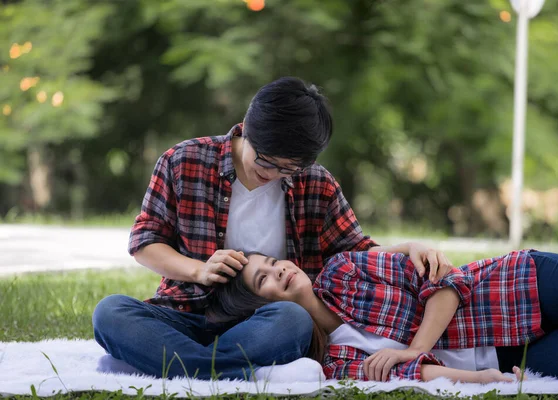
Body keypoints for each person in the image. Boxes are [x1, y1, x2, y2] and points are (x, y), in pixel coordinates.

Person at [92, 76, 455, 380]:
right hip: (187, 314)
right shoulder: (183, 162)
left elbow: (355, 250)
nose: (272, 174)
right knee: (110, 313)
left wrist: (409, 247)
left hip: (266, 322)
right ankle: (233, 370)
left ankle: (185, 366)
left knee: (294, 319)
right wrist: (199, 270)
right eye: (265, 161)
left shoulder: (317, 184)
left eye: (288, 168)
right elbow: (145, 242)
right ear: (247, 128)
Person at [205, 250, 558, 382]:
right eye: (264, 279)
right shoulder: (334, 361)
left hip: (516, 286)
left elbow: (445, 281)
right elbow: (411, 374)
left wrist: (415, 348)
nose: (280, 270)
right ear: (262, 308)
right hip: (511, 357)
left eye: (274, 261)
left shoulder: (345, 269)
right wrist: (483, 379)